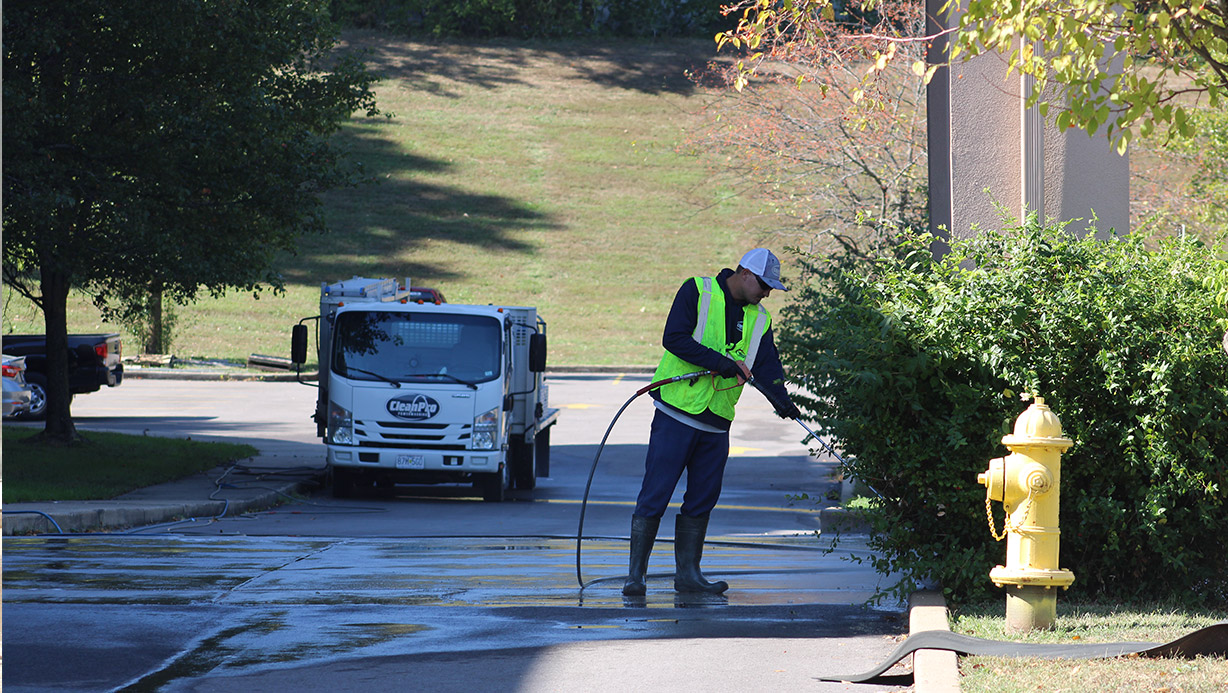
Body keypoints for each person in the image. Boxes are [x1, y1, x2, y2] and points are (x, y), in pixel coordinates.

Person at [624, 248, 801, 596]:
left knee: (703, 498)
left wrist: (784, 402)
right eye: (764, 285)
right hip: (677, 414)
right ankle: (636, 576)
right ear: (745, 274)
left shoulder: (760, 320)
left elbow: (768, 367)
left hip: (716, 423)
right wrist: (720, 363)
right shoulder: (697, 291)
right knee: (655, 494)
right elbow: (674, 338)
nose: (766, 293)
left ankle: (688, 575)